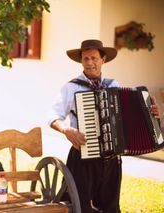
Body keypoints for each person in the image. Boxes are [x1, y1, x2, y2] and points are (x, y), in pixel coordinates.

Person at [48, 39, 161, 213]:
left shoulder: (113, 85)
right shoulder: (70, 87)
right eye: (85, 59)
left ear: (103, 60)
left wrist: (150, 113)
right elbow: (53, 116)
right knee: (80, 205)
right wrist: (67, 129)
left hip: (111, 159)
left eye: (94, 58)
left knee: (110, 206)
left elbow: (128, 116)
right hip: (83, 156)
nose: (89, 63)